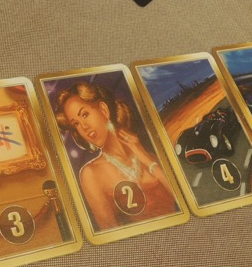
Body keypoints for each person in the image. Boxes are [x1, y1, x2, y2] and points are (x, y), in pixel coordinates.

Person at [54, 81, 177, 231]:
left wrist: (145, 158)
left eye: (85, 114)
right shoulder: (90, 174)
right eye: (76, 124)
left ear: (103, 109)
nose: (84, 127)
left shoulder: (147, 155)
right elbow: (110, 230)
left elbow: (184, 199)